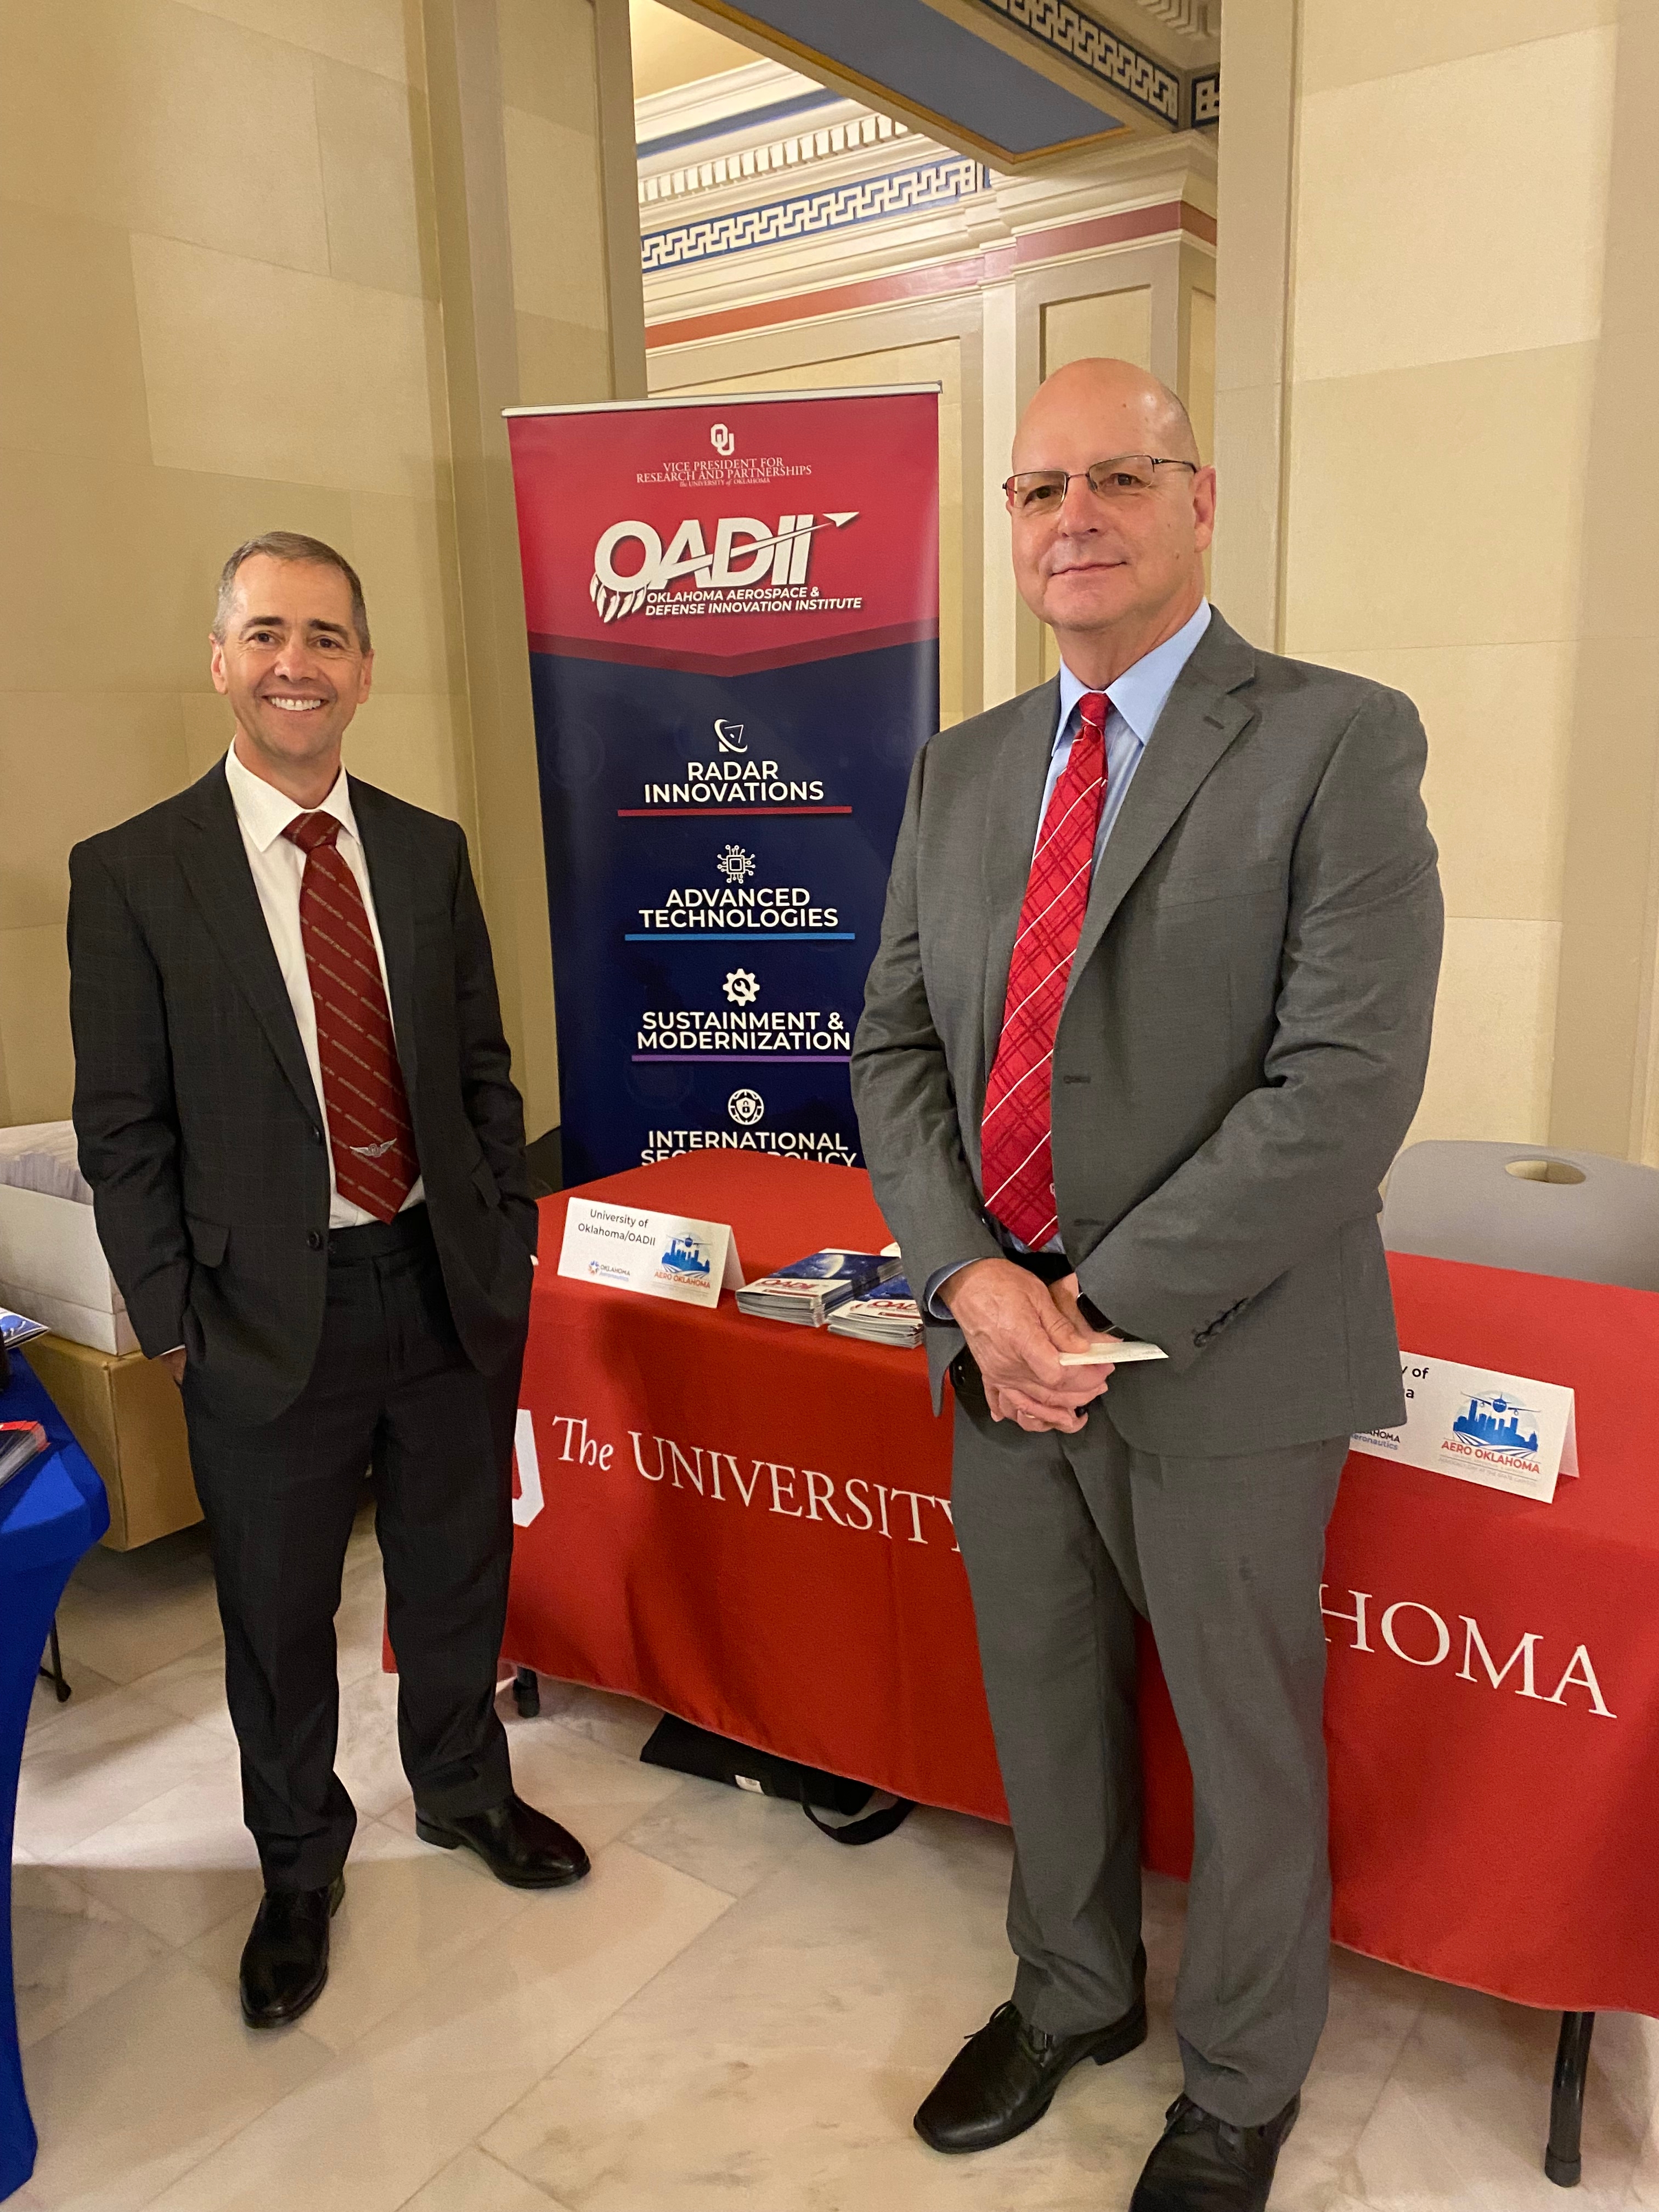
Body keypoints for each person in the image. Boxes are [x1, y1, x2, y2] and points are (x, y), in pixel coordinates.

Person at [850, 360, 1442, 2212]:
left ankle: (1245, 2078)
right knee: (1046, 1702)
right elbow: (895, 1051)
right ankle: (1075, 1991)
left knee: (1246, 1739)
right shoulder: (960, 765)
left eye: (1118, 477)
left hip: (1225, 1357)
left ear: (1200, 499)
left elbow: (1344, 1086)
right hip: (996, 1352)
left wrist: (1078, 1306)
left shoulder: (1339, 738)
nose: (1073, 517)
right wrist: (968, 1279)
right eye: (1038, 490)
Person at [69, 532, 588, 2032]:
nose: (298, 662)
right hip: (255, 1317)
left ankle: (462, 1791)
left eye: (329, 637)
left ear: (367, 667)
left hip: (441, 1285)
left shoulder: (426, 852)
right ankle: (300, 1868)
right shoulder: (134, 873)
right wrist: (171, 1319)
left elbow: (484, 1066)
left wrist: (500, 1223)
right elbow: (125, 1129)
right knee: (279, 1616)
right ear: (223, 660)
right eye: (267, 634)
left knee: (453, 1571)